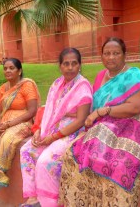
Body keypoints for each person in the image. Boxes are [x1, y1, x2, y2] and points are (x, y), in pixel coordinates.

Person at [58, 37, 140, 206]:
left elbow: (135, 107)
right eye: (107, 53)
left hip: (133, 125)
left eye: (116, 53)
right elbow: (93, 103)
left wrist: (103, 111)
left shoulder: (134, 75)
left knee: (118, 165)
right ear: (102, 56)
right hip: (104, 126)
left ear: (124, 55)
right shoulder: (99, 77)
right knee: (74, 155)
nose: (111, 57)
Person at [20, 48, 93, 207]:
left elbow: (80, 121)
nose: (70, 67)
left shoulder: (82, 87)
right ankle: (33, 198)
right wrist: (39, 130)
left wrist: (53, 137)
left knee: (46, 161)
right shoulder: (57, 84)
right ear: (60, 66)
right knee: (27, 150)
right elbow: (49, 111)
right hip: (50, 130)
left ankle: (49, 202)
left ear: (80, 65)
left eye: (74, 63)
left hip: (72, 133)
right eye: (66, 64)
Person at [0, 58, 40, 195]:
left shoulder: (27, 85)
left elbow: (32, 111)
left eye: (11, 68)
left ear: (19, 71)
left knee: (8, 138)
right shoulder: (3, 88)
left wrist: (9, 124)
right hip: (3, 122)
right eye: (5, 68)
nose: (7, 71)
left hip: (22, 122)